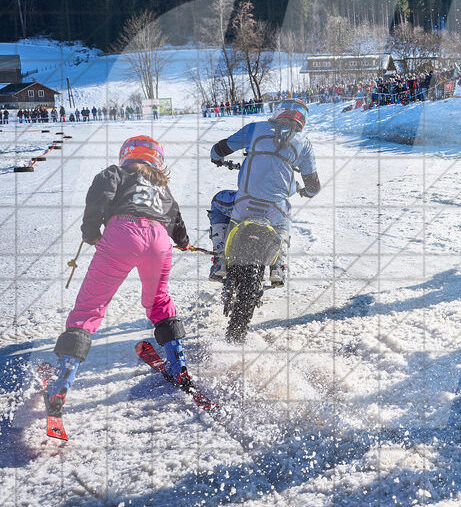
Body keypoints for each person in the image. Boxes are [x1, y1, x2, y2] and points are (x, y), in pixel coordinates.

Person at [48, 136, 192, 421]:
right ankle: (179, 365)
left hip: (122, 234)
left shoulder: (117, 173)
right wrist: (184, 242)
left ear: (127, 155)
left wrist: (91, 232)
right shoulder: (162, 187)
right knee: (159, 301)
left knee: (90, 307)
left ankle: (62, 380)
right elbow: (176, 218)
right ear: (157, 160)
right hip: (159, 241)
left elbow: (100, 193)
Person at [208, 99, 320, 285]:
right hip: (275, 210)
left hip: (244, 204)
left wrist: (216, 157)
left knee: (217, 202)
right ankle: (278, 265)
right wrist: (306, 192)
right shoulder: (304, 144)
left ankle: (220, 258)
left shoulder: (256, 128)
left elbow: (221, 148)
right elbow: (313, 187)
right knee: (284, 221)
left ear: (278, 111)